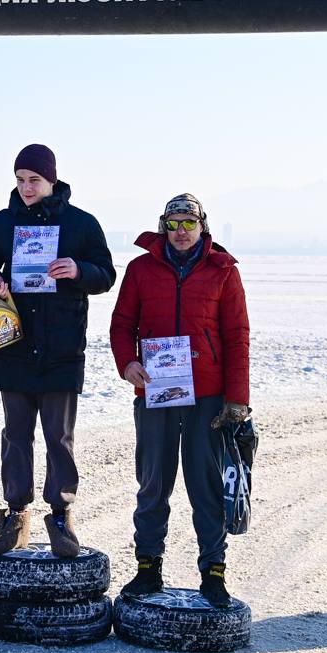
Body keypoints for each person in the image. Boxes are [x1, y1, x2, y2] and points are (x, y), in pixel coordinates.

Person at [0, 144, 116, 557]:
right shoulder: (3, 223)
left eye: (34, 180)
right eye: (20, 180)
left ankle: (61, 516)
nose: (26, 187)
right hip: (14, 345)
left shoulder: (82, 224)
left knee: (59, 437)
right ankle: (15, 516)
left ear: (52, 180)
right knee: (15, 435)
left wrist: (78, 270)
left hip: (62, 349)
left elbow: (106, 274)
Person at [108, 194, 251, 607]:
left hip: (208, 396)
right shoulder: (140, 269)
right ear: (163, 226)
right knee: (153, 482)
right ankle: (148, 568)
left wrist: (237, 399)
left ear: (203, 225)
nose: (182, 232)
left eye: (189, 223)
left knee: (205, 486)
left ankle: (213, 572)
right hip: (156, 389)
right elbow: (121, 325)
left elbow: (237, 336)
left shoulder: (223, 271)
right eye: (174, 224)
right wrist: (128, 363)